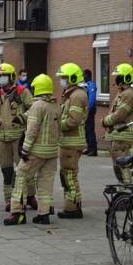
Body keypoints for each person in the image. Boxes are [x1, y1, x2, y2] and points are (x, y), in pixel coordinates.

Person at [5, 74, 60, 226]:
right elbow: (58, 128)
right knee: (45, 181)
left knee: (20, 177)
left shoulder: (37, 106)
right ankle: (44, 214)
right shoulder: (55, 105)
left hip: (36, 152)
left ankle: (17, 213)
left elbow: (32, 130)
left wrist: (25, 149)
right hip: (52, 152)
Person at [0, 62, 33, 210]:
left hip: (18, 138)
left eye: (4, 76)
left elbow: (34, 109)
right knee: (6, 170)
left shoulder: (22, 92)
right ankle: (9, 200)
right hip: (2, 139)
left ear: (11, 77)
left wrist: (22, 117)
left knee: (24, 170)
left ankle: (30, 196)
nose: (1, 79)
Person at [102, 63, 133, 183]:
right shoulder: (125, 93)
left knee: (122, 169)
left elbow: (119, 115)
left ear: (126, 78)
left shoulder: (128, 94)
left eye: (119, 76)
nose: (117, 79)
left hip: (123, 137)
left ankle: (126, 189)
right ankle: (125, 188)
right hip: (120, 136)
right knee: (121, 168)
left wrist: (104, 121)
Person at [56, 62, 88, 219]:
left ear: (73, 78)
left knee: (69, 175)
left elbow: (73, 120)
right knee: (67, 174)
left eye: (64, 78)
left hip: (72, 142)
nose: (61, 81)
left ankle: (73, 208)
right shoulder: (72, 94)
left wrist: (57, 125)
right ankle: (72, 206)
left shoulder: (76, 96)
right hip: (69, 141)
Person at [83, 68, 98, 156]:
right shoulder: (86, 85)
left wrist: (88, 110)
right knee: (86, 129)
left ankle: (93, 149)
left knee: (90, 129)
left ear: (87, 75)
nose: (83, 77)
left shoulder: (91, 85)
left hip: (89, 110)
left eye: (84, 75)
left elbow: (91, 100)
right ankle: (89, 147)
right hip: (86, 110)